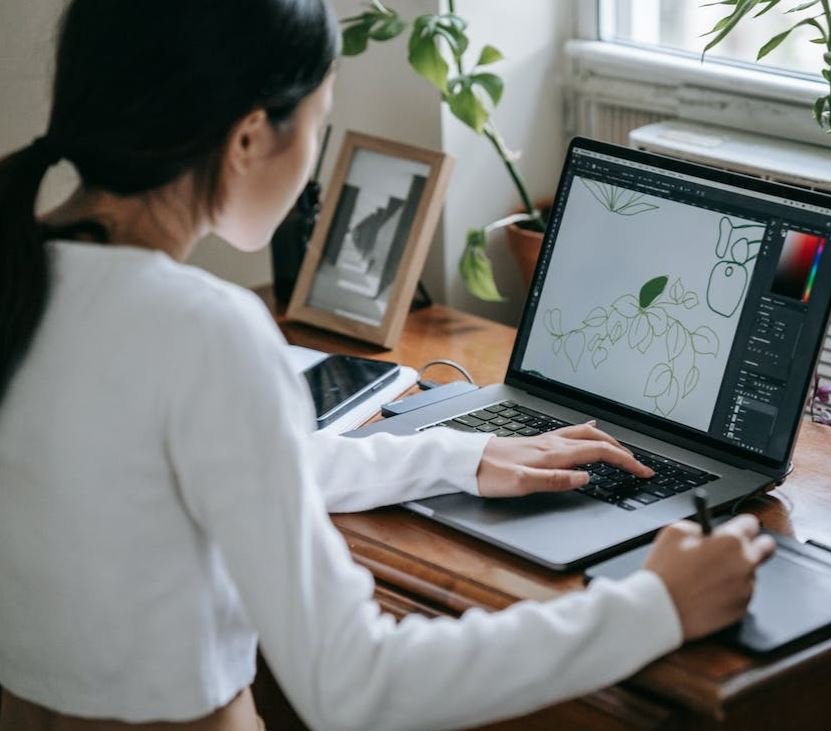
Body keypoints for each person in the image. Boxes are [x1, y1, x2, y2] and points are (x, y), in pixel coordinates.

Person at [0, 2, 776, 729]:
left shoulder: (23, 280)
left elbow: (211, 465)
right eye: (320, 126)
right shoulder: (205, 332)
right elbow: (354, 683)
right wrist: (654, 606)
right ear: (246, 138)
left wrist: (461, 454)